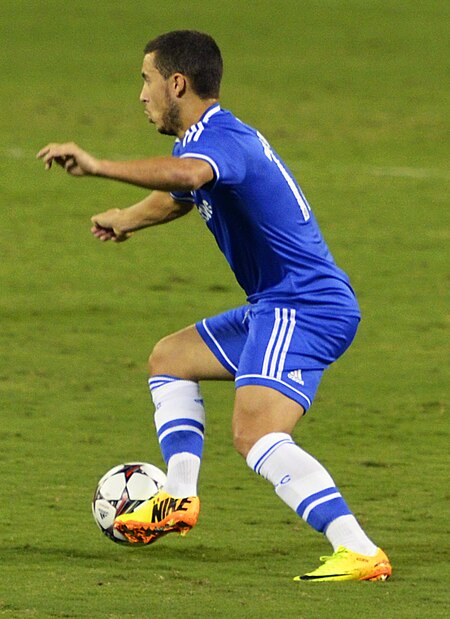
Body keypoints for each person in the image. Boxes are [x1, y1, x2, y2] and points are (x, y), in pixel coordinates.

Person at [37, 30, 391, 582]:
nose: (142, 95)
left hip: (303, 304)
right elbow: (182, 193)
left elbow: (188, 177)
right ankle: (178, 498)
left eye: (146, 80)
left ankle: (360, 550)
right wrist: (127, 218)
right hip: (278, 303)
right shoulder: (205, 140)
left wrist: (99, 164)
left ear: (177, 82)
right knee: (171, 358)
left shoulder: (221, 141)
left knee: (256, 434)